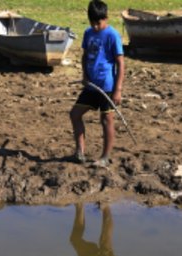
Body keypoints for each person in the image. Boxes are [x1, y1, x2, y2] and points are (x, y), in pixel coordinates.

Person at [70, 0, 124, 168]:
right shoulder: (88, 33)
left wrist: (118, 90)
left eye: (98, 23)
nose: (95, 26)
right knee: (75, 114)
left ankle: (105, 157)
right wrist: (85, 74)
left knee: (106, 120)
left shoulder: (112, 35)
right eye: (92, 22)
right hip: (91, 85)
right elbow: (85, 56)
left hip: (107, 86)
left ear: (105, 18)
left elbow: (120, 63)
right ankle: (80, 152)